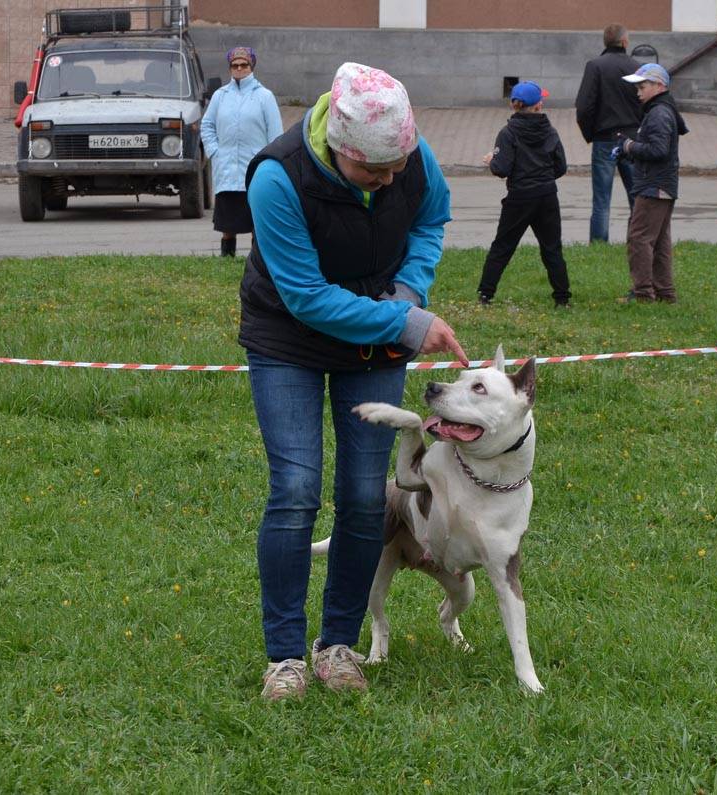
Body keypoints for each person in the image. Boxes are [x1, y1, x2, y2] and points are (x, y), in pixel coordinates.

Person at [241, 62, 469, 701]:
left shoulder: (406, 153)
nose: (391, 179)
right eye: (376, 172)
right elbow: (308, 298)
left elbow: (430, 220)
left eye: (397, 167)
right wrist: (402, 319)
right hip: (288, 338)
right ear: (341, 150)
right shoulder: (277, 177)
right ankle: (284, 655)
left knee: (368, 497)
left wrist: (408, 289)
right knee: (294, 490)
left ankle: (336, 645)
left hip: (378, 338)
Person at [476, 81, 571, 309]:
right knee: (552, 248)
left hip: (519, 197)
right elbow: (561, 167)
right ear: (539, 105)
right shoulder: (550, 131)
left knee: (502, 247)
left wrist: (492, 161)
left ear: (513, 105)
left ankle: (485, 294)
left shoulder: (508, 133)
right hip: (547, 195)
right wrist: (543, 178)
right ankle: (562, 298)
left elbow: (502, 169)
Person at [615, 63, 688, 304]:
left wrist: (629, 146)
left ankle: (643, 294)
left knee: (639, 238)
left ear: (659, 86)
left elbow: (658, 150)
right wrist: (631, 149)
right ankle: (665, 293)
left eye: (642, 86)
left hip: (654, 185)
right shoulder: (660, 109)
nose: (638, 92)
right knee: (659, 241)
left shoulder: (658, 113)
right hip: (661, 184)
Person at [200, 47, 283, 258]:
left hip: (255, 168)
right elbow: (207, 125)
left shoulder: (264, 96)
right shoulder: (220, 96)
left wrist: (271, 162)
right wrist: (214, 152)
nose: (239, 69)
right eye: (235, 65)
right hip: (226, 167)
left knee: (257, 216)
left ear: (251, 66)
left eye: (243, 65)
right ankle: (227, 256)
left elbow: (275, 133)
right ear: (230, 68)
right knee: (228, 219)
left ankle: (258, 259)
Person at [574, 23, 643, 244]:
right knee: (637, 197)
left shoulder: (595, 66)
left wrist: (590, 134)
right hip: (632, 139)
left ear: (606, 42)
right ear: (624, 42)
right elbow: (645, 103)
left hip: (604, 139)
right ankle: (638, 242)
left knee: (601, 200)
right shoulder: (637, 67)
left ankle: (598, 244)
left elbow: (584, 106)